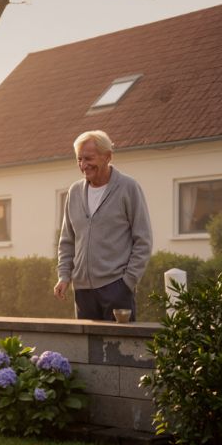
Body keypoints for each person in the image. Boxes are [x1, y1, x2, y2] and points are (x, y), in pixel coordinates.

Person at [53, 131, 153, 320]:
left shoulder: (128, 188)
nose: (83, 165)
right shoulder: (74, 192)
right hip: (82, 291)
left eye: (89, 158)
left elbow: (143, 240)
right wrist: (64, 276)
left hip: (117, 288)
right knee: (86, 341)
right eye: (79, 159)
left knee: (119, 341)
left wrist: (127, 282)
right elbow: (67, 241)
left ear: (107, 156)